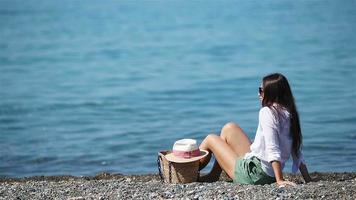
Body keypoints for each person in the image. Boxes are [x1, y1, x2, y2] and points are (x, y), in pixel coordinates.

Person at [198, 73, 312, 186]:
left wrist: (279, 180)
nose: (258, 94)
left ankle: (189, 169)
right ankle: (214, 174)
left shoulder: (267, 112)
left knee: (210, 139)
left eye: (261, 90)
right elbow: (296, 150)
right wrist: (308, 179)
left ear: (271, 93)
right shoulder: (289, 113)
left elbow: (273, 148)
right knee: (229, 128)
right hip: (267, 171)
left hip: (255, 175)